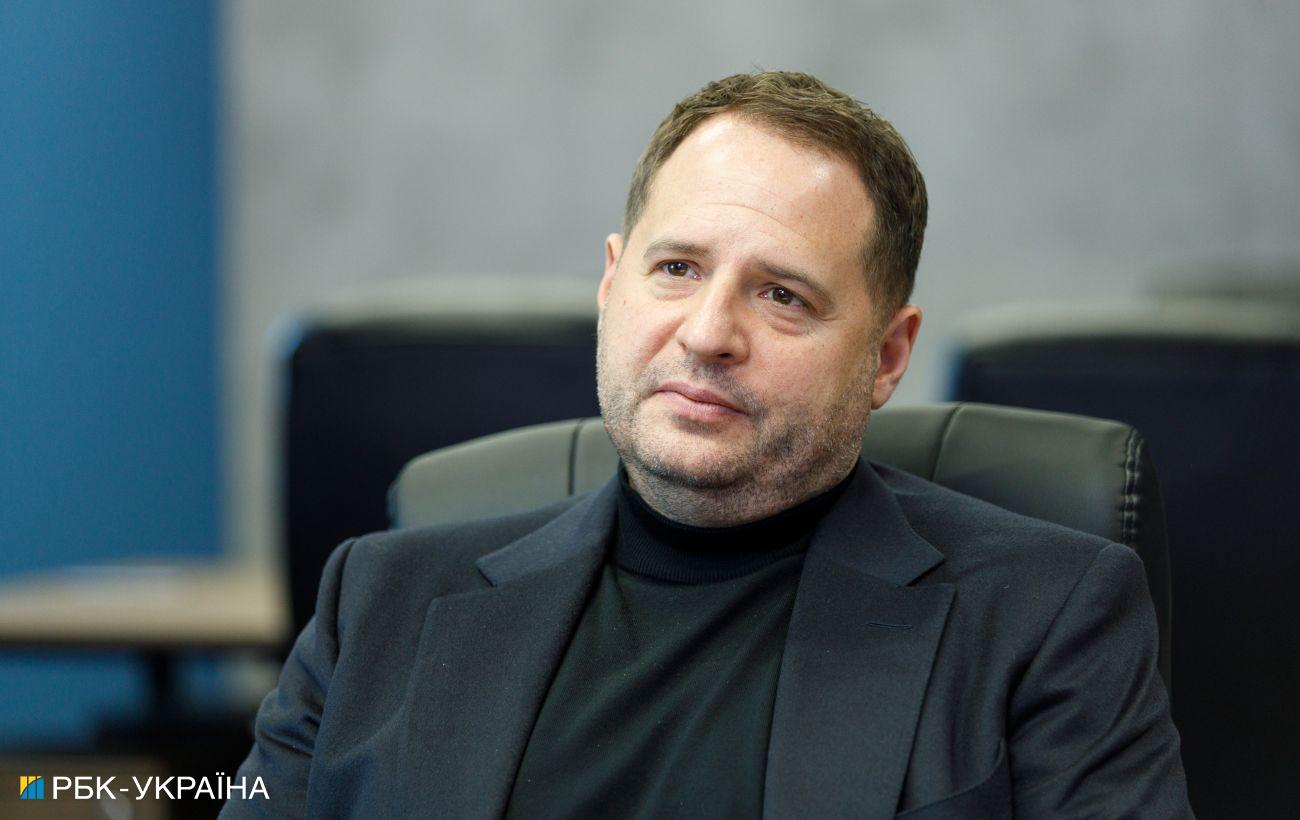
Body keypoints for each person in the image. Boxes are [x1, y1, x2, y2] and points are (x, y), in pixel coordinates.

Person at [222, 72, 1192, 818]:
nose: (708, 333)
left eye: (782, 294)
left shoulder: (1046, 620)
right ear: (612, 286)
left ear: (887, 356)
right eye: (677, 268)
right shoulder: (376, 602)